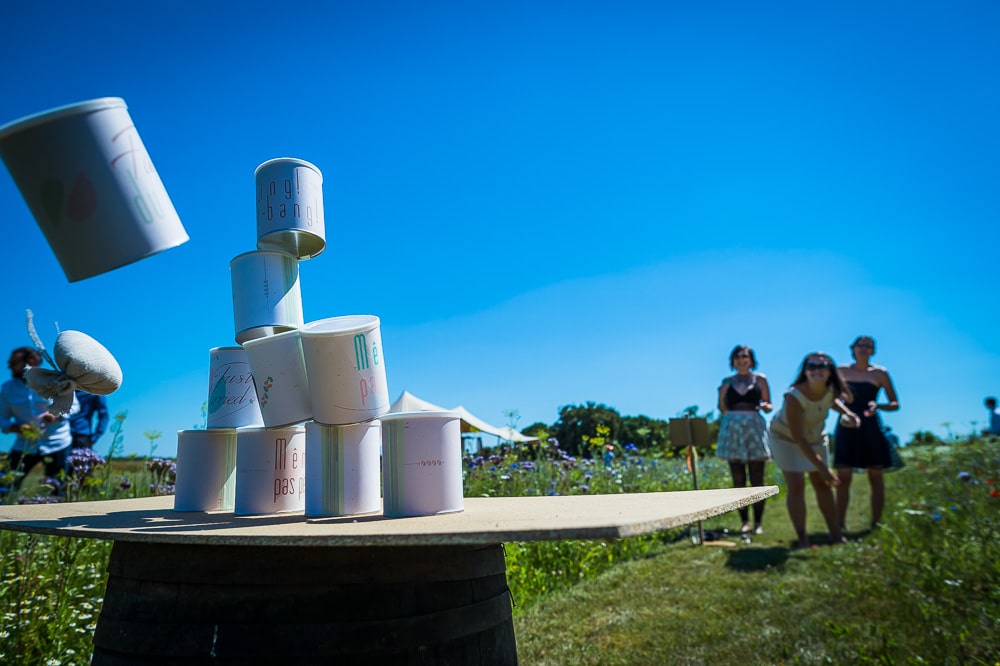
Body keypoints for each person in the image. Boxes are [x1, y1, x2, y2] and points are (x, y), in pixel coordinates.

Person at [769, 352, 860, 548]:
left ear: (830, 371)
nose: (816, 370)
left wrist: (849, 414)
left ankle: (835, 535)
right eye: (811, 366)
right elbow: (798, 437)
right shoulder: (793, 396)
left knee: (822, 484)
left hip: (815, 437)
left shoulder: (831, 390)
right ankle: (802, 538)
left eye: (822, 366)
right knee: (796, 485)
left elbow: (833, 401)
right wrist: (823, 468)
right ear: (805, 371)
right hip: (786, 439)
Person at [834, 336, 899, 531]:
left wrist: (878, 405)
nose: (863, 348)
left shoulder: (880, 373)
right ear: (852, 348)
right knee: (843, 476)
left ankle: (876, 524)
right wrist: (842, 404)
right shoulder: (841, 371)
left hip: (871, 425)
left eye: (868, 346)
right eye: (860, 345)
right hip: (847, 424)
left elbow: (895, 403)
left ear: (873, 351)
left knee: (876, 475)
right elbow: (831, 398)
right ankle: (839, 525)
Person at [0, 346, 78, 493]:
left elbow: (74, 406)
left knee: (57, 488)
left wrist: (55, 414)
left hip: (57, 442)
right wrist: (16, 428)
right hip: (24, 444)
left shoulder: (56, 379)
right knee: (5, 485)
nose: (9, 366)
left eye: (13, 362)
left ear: (30, 361)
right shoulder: (7, 388)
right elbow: (2, 418)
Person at [716, 345, 773, 534]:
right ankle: (744, 522)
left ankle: (758, 522)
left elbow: (768, 404)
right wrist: (722, 395)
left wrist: (765, 406)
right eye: (738, 357)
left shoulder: (760, 380)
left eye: (745, 356)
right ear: (733, 361)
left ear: (751, 359)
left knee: (757, 477)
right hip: (733, 427)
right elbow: (722, 408)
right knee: (738, 478)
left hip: (754, 426)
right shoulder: (727, 382)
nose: (741, 359)